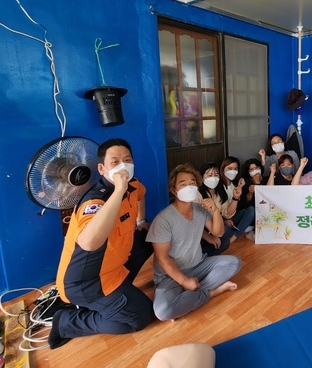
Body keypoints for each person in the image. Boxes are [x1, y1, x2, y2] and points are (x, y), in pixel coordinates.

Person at [51, 138, 154, 349]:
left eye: (127, 160)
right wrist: (118, 190)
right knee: (141, 317)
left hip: (114, 264)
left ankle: (111, 300)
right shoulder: (95, 201)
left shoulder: (134, 186)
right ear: (101, 168)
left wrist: (141, 221)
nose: (123, 165)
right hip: (87, 281)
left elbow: (141, 195)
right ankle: (66, 322)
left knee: (149, 238)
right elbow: (89, 242)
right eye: (114, 162)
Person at [146, 164, 241, 321]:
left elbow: (219, 232)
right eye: (183, 184)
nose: (189, 187)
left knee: (234, 263)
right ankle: (212, 292)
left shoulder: (200, 209)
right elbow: (162, 259)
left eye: (192, 183)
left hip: (198, 265)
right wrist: (184, 281)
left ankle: (188, 297)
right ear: (173, 190)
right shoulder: (163, 220)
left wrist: (215, 211)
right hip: (171, 275)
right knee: (163, 311)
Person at [198, 162, 254, 256]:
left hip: (221, 223)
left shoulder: (219, 192)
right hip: (207, 231)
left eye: (216, 175)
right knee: (225, 234)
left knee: (250, 210)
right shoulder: (198, 195)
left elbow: (227, 213)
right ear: (202, 177)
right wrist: (208, 236)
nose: (213, 178)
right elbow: (195, 223)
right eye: (209, 175)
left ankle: (233, 237)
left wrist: (235, 198)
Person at [239, 158, 264, 240]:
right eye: (252, 169)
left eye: (257, 168)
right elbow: (246, 202)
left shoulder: (265, 179)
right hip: (251, 213)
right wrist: (250, 192)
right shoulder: (245, 182)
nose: (255, 171)